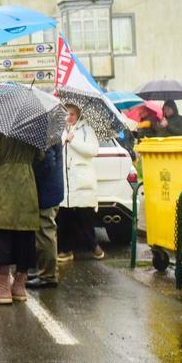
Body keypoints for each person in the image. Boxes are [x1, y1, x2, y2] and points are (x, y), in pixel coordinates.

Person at [0, 129, 42, 304]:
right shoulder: (34, 124)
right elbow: (40, 156)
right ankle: (20, 285)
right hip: (27, 182)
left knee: (1, 233)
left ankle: (3, 287)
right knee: (25, 233)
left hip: (2, 183)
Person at [57, 103, 104, 262]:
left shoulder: (86, 130)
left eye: (72, 114)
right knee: (64, 216)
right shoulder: (61, 130)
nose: (68, 117)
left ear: (78, 116)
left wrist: (73, 141)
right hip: (65, 182)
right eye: (66, 114)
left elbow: (93, 151)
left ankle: (94, 246)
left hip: (82, 181)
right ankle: (65, 249)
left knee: (85, 216)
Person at [26, 142, 65, 289]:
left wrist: (32, 171)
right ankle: (45, 271)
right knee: (44, 231)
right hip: (50, 187)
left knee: (45, 231)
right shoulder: (50, 127)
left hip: (47, 189)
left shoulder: (45, 130)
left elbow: (47, 161)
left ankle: (48, 276)